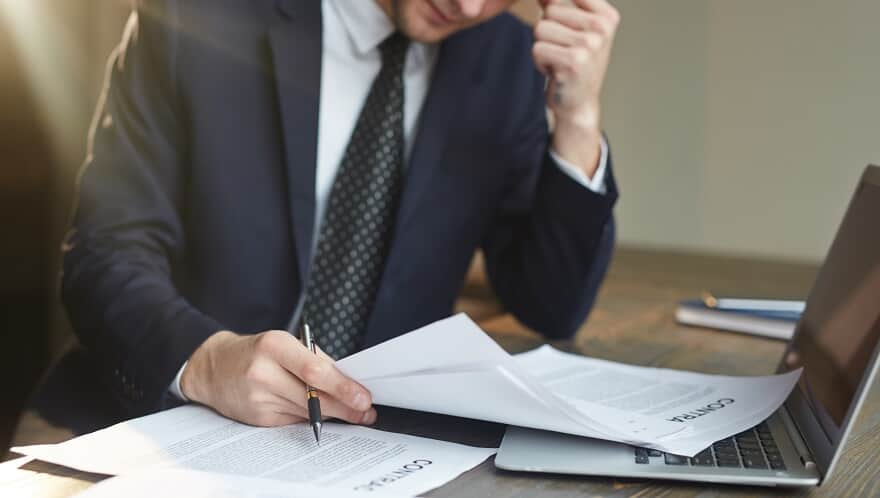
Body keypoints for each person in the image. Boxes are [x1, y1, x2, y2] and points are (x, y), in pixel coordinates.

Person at [61, 0, 620, 429]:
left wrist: (578, 120)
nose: (469, 7)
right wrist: (205, 363)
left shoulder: (507, 62)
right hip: (169, 427)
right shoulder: (196, 13)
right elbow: (104, 252)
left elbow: (551, 305)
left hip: (382, 450)